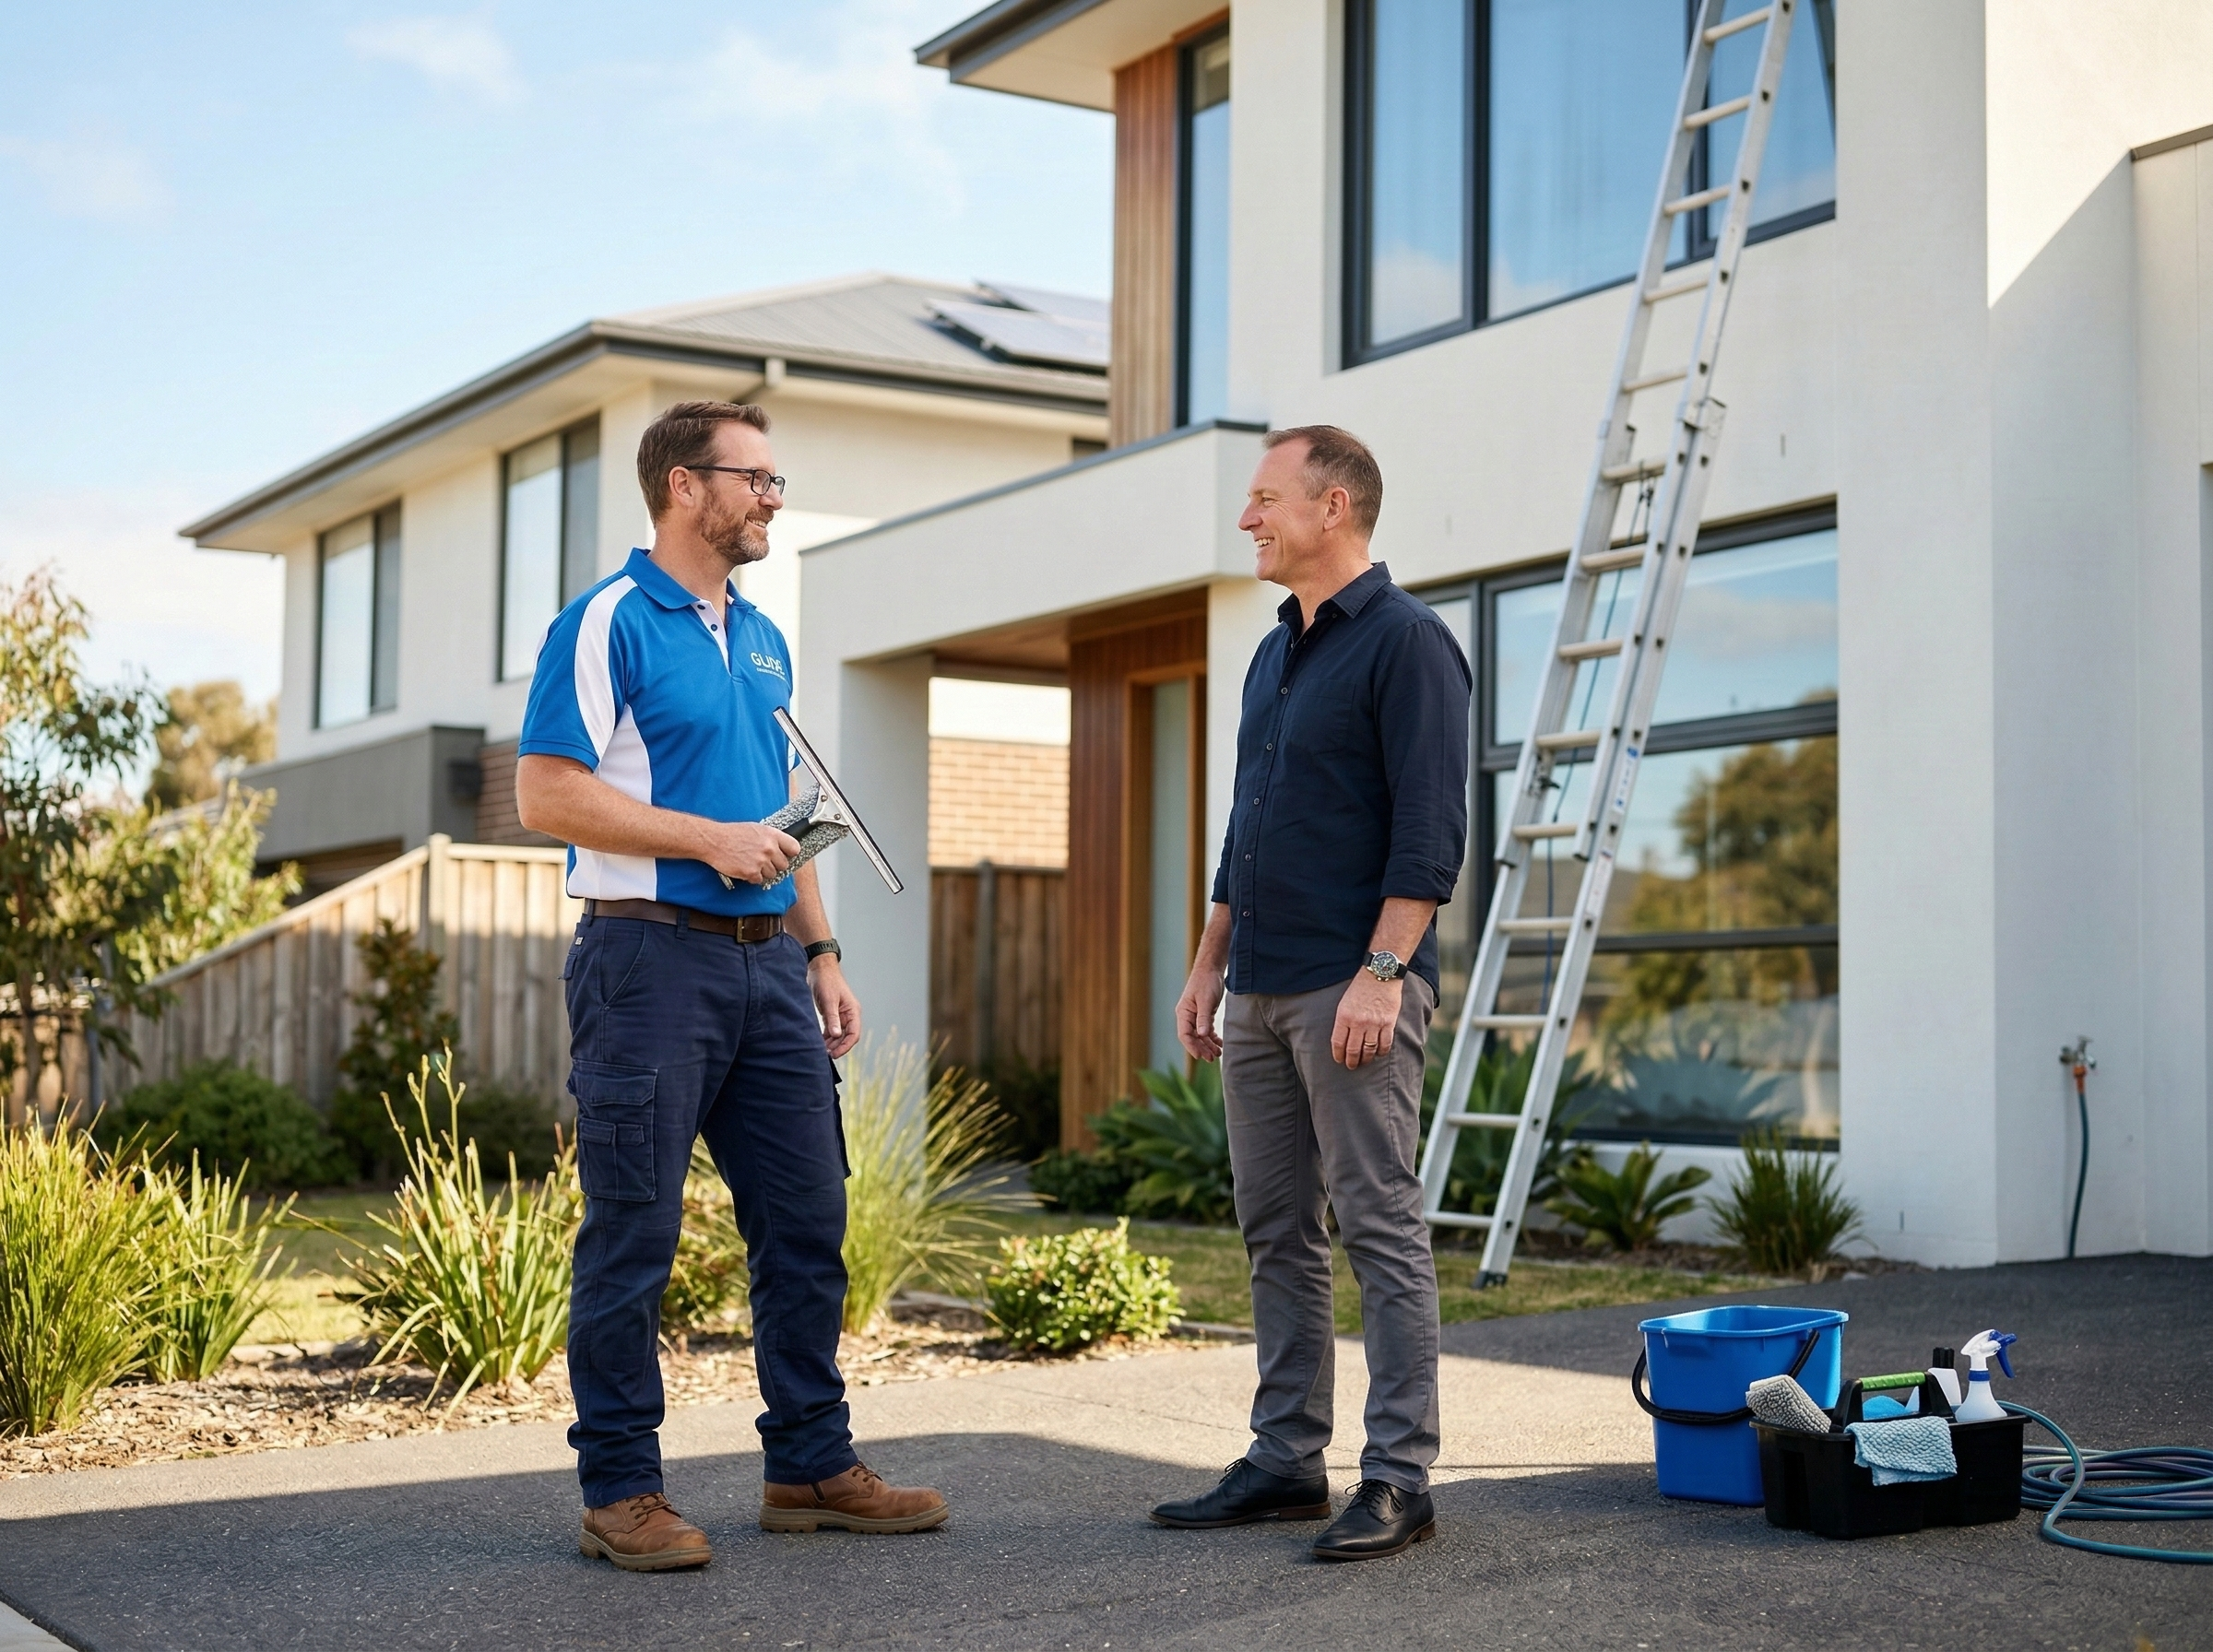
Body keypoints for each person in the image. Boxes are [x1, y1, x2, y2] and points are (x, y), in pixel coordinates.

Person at [515, 400, 947, 1572]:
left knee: (809, 1224)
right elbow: (546, 794)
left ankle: (809, 1463)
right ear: (681, 486)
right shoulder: (606, 620)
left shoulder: (761, 637)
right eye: (754, 477)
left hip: (770, 975)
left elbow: (781, 810)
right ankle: (622, 1492)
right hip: (648, 963)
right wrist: (707, 840)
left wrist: (821, 951)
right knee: (634, 1235)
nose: (772, 497)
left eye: (776, 478)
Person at [1150, 425, 1471, 1562]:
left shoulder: (1409, 643)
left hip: (1355, 986)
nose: (1249, 518)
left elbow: (1432, 831)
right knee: (1275, 1227)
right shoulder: (1271, 653)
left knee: (1378, 1224)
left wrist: (1382, 973)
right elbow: (1248, 829)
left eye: (1264, 498)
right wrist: (1207, 960)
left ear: (1333, 507)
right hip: (1261, 987)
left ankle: (1400, 1476)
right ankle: (1287, 1458)